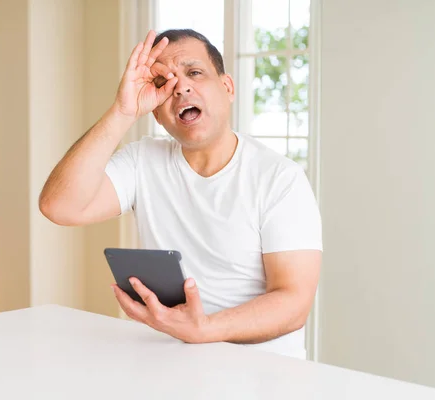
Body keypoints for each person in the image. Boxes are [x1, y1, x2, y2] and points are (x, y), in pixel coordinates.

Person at [39, 29, 322, 359]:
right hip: (172, 364)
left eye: (194, 72)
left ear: (227, 87)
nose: (181, 87)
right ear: (157, 113)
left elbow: (294, 303)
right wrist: (122, 112)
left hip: (263, 373)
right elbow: (59, 206)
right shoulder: (142, 160)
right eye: (164, 83)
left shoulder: (280, 178)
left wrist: (203, 330)